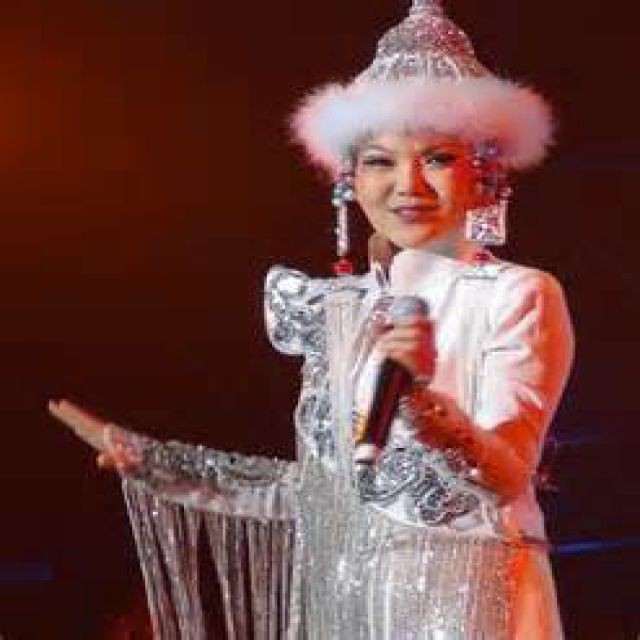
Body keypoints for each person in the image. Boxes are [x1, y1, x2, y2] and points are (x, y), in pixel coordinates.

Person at [49, 1, 574, 638]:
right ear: (348, 180)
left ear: (483, 172)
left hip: (467, 597)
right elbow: (319, 496)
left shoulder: (517, 294)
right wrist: (158, 464)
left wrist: (418, 403)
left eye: (436, 157)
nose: (407, 183)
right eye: (379, 161)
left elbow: (507, 475)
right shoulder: (337, 308)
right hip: (349, 605)